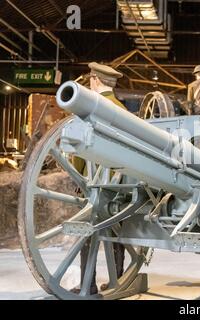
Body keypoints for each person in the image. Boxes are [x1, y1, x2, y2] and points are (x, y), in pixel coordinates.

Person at [72, 62, 126, 294]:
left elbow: (80, 149)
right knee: (116, 232)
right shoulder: (122, 110)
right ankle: (119, 281)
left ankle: (88, 284)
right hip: (120, 183)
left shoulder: (92, 108)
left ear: (95, 80)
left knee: (87, 232)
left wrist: (78, 175)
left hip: (94, 183)